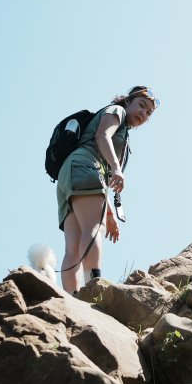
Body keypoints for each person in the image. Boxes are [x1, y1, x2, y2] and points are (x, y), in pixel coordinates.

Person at [55, 86, 158, 293]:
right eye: (141, 105)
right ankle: (93, 286)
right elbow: (102, 136)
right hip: (85, 166)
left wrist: (109, 213)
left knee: (73, 245)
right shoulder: (116, 111)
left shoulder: (123, 129)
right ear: (127, 102)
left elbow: (101, 181)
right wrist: (116, 167)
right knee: (94, 228)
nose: (143, 114)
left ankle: (72, 297)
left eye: (148, 113)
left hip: (70, 174)